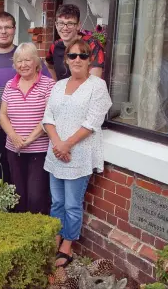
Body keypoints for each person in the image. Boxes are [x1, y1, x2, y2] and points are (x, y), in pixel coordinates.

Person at [41, 39, 112, 268]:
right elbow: (48, 118)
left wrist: (67, 145)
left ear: (90, 59)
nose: (78, 60)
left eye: (83, 55)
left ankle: (67, 245)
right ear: (67, 60)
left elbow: (92, 122)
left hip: (78, 155)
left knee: (72, 204)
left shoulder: (97, 86)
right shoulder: (58, 86)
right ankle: (55, 237)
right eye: (73, 56)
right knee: (57, 203)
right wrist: (58, 144)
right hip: (56, 153)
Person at [0, 12, 52, 186]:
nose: (3, 31)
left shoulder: (27, 56)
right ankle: (8, 211)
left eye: (7, 27)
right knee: (2, 176)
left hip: (29, 133)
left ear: (14, 29)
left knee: (27, 181)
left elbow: (49, 89)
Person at [0, 42, 56, 214]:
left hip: (38, 150)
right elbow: (3, 115)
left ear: (36, 62)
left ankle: (36, 233)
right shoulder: (10, 85)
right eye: (19, 61)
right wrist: (14, 137)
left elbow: (49, 116)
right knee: (18, 194)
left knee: (36, 195)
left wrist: (29, 139)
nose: (23, 65)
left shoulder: (48, 85)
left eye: (27, 60)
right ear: (15, 64)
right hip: (14, 149)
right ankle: (20, 232)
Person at [45, 4, 105, 81]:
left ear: (78, 25)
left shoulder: (91, 44)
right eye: (61, 23)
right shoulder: (55, 46)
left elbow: (95, 80)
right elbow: (49, 65)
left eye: (70, 23)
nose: (65, 28)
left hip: (85, 92)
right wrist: (55, 85)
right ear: (56, 25)